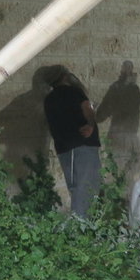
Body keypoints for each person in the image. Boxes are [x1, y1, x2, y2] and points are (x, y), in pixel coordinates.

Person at [42, 67, 101, 217]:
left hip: (64, 148)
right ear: (64, 77)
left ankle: (81, 225)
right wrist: (91, 126)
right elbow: (87, 110)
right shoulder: (74, 92)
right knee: (86, 188)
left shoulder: (49, 99)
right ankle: (82, 228)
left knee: (76, 187)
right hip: (82, 145)